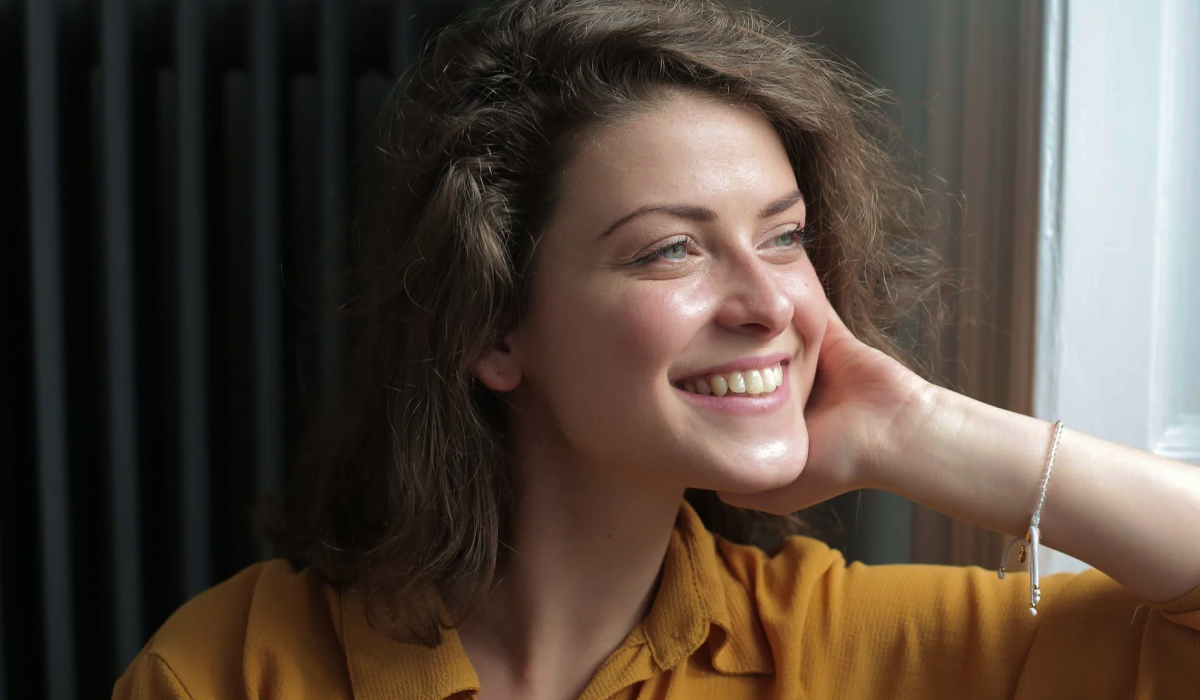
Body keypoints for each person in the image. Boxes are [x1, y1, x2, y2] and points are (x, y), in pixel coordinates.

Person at [113, 0, 1200, 698]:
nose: (771, 301)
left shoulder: (840, 646)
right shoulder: (227, 668)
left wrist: (920, 426)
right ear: (493, 325)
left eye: (785, 237)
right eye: (671, 249)